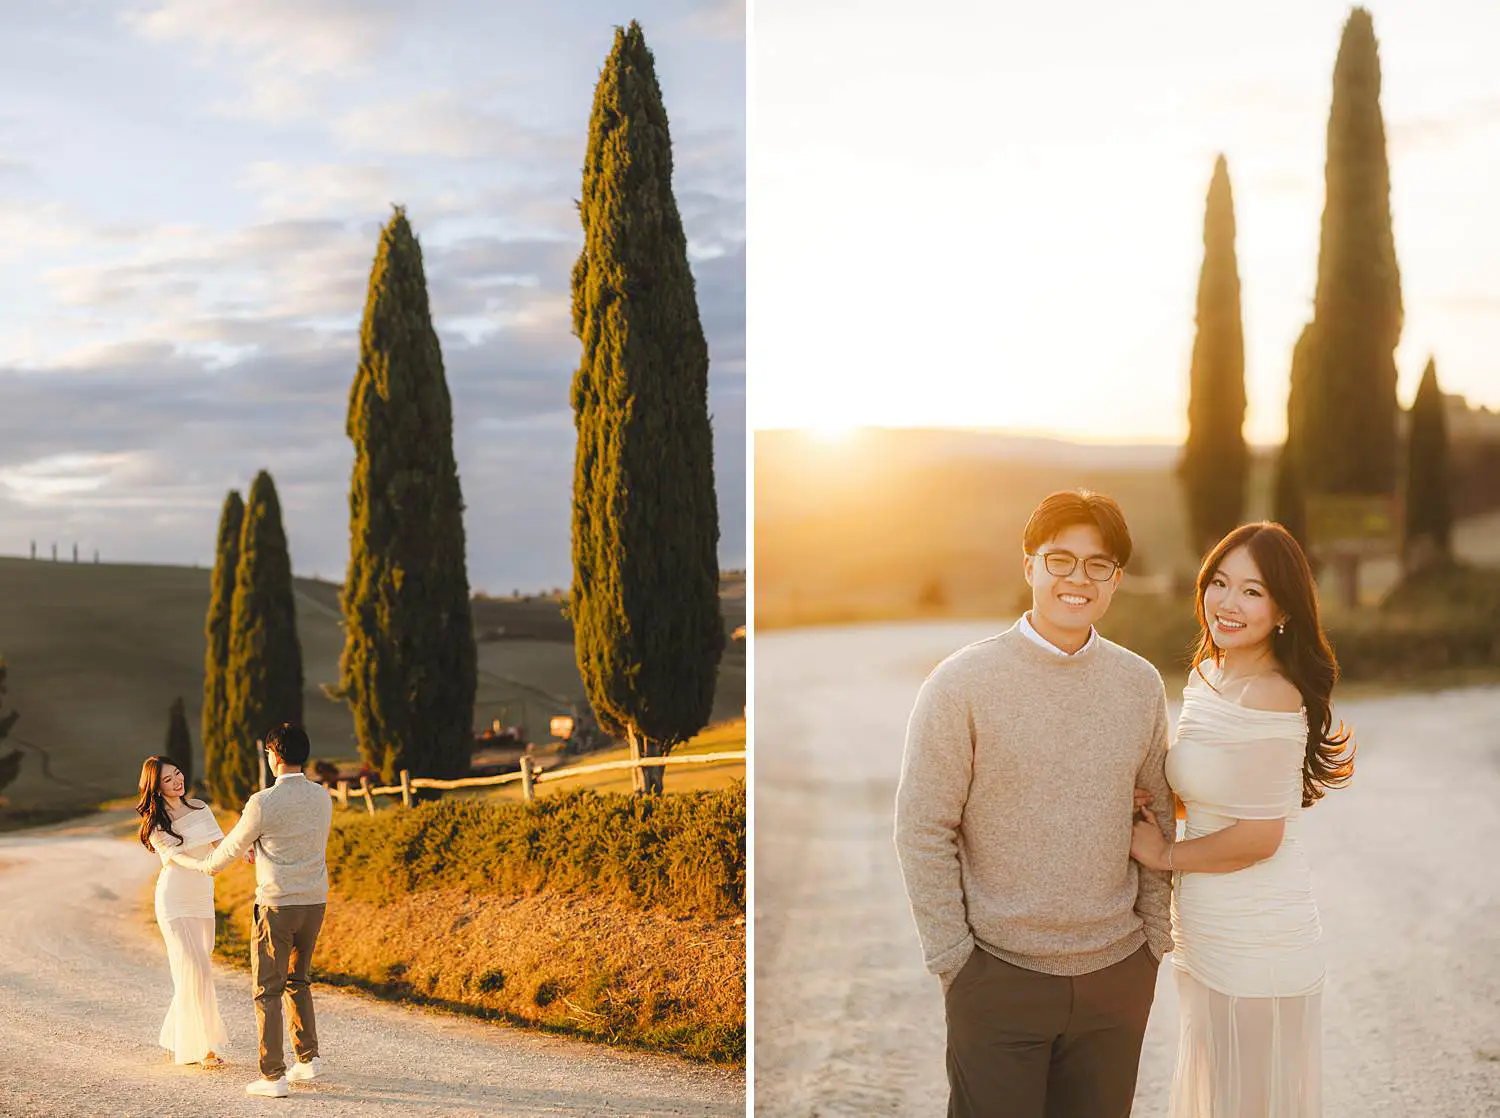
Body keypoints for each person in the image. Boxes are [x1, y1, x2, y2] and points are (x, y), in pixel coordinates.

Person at [895, 489, 1176, 1118]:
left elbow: (1156, 815)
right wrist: (954, 961)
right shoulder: (961, 683)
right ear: (1029, 566)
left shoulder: (1139, 684)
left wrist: (1153, 943)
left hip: (1116, 976)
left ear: (1116, 579)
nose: (1078, 579)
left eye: (1098, 564)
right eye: (1060, 560)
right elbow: (922, 827)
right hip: (997, 977)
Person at [1129, 522, 1355, 1117]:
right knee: (1221, 1092)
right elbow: (1211, 792)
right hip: (1206, 925)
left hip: (1258, 933)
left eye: (1252, 592)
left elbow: (1259, 836)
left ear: (1283, 609)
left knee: (1248, 1102)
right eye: (1220, 583)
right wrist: (1155, 801)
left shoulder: (1274, 695)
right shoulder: (1209, 674)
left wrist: (1162, 854)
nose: (1228, 603)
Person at [173, 722, 333, 1099]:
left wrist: (201, 865)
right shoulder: (322, 796)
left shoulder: (262, 801)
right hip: (314, 901)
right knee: (298, 979)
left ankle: (273, 1076)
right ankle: (307, 1058)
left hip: (277, 903)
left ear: (273, 756)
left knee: (267, 989)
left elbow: (228, 851)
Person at [137, 755, 234, 1069]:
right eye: (168, 779)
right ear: (156, 787)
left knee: (198, 967)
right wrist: (205, 865)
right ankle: (203, 1047)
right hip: (175, 900)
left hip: (202, 897)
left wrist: (243, 850)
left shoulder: (201, 807)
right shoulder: (156, 823)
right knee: (195, 968)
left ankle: (176, 1038)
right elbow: (178, 858)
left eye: (177, 773)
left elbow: (221, 844)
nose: (177, 781)